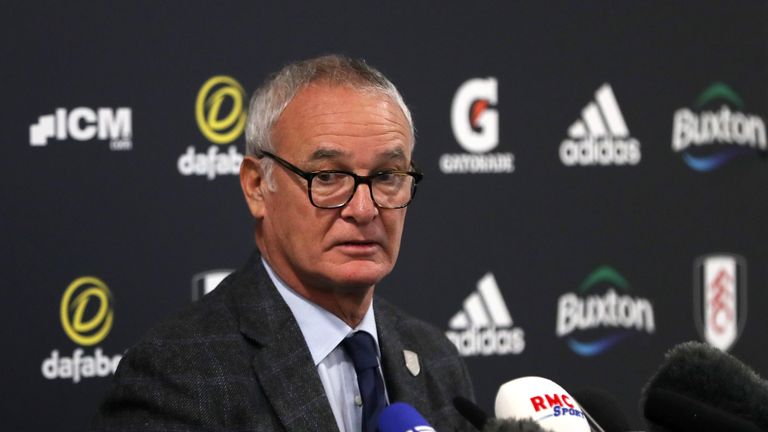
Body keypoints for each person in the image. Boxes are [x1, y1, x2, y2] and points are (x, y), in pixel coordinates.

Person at [92, 54, 475, 432]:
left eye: (387, 175)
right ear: (257, 186)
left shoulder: (434, 357)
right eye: (327, 177)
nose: (364, 208)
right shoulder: (177, 374)